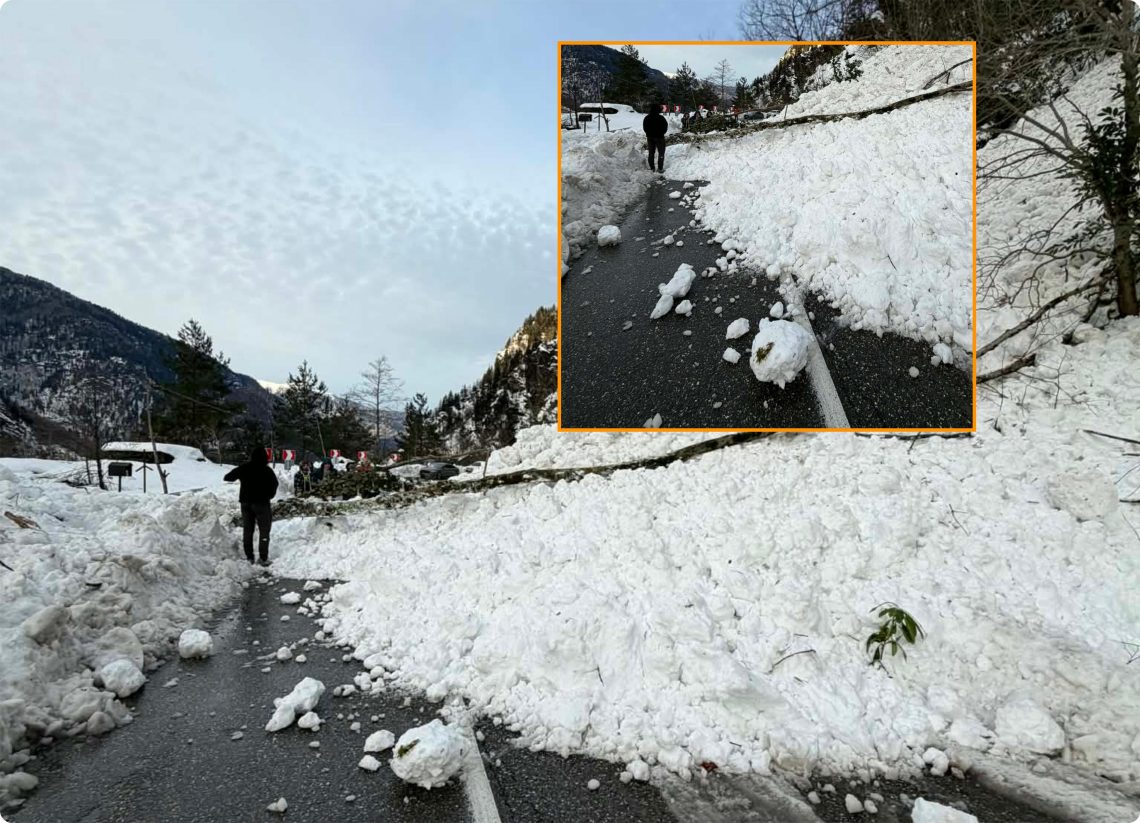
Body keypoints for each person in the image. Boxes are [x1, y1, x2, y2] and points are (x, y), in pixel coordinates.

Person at [223, 447, 279, 566]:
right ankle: (263, 558)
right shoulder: (267, 470)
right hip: (262, 504)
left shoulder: (245, 468)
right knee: (264, 530)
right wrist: (269, 495)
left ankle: (249, 557)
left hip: (245, 503)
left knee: (248, 530)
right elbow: (275, 484)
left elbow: (228, 477)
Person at [642, 103, 668, 173]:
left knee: (651, 153)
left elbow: (645, 128)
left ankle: (652, 168)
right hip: (660, 137)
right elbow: (665, 127)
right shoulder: (661, 118)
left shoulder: (647, 117)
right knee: (661, 153)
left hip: (650, 138)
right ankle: (660, 168)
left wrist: (649, 133)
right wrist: (661, 133)